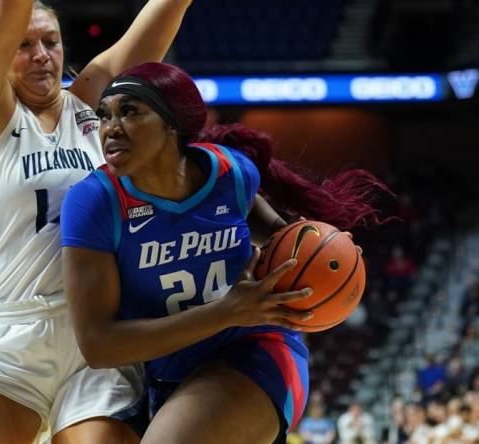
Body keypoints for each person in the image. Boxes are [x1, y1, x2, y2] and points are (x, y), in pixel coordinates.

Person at [60, 62, 389, 443]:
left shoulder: (230, 173)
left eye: (130, 111)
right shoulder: (95, 201)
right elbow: (98, 345)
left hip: (254, 350)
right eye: (104, 115)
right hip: (169, 373)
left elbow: (287, 243)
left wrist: (333, 256)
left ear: (172, 124)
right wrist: (223, 311)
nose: (110, 128)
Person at [0, 1, 194, 443]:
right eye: (23, 45)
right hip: (11, 332)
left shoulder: (93, 102)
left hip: (97, 334)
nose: (41, 54)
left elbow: (158, 22)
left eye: (51, 42)